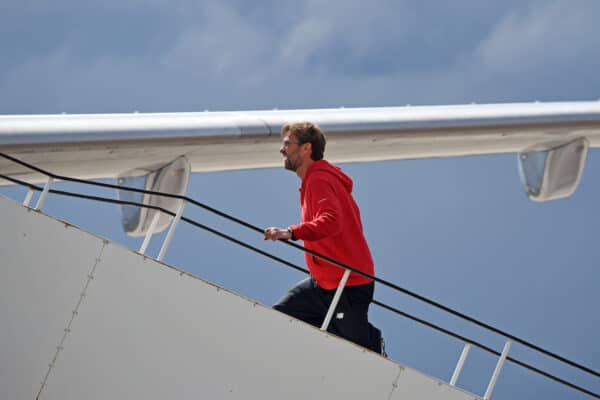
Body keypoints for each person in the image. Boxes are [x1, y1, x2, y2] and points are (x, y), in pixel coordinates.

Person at [264, 121, 385, 355]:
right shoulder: (315, 179)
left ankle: (373, 341)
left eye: (287, 144)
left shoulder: (319, 179)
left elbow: (330, 221)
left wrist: (291, 232)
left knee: (360, 350)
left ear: (306, 148)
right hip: (322, 283)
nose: (282, 149)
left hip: (347, 285)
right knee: (281, 318)